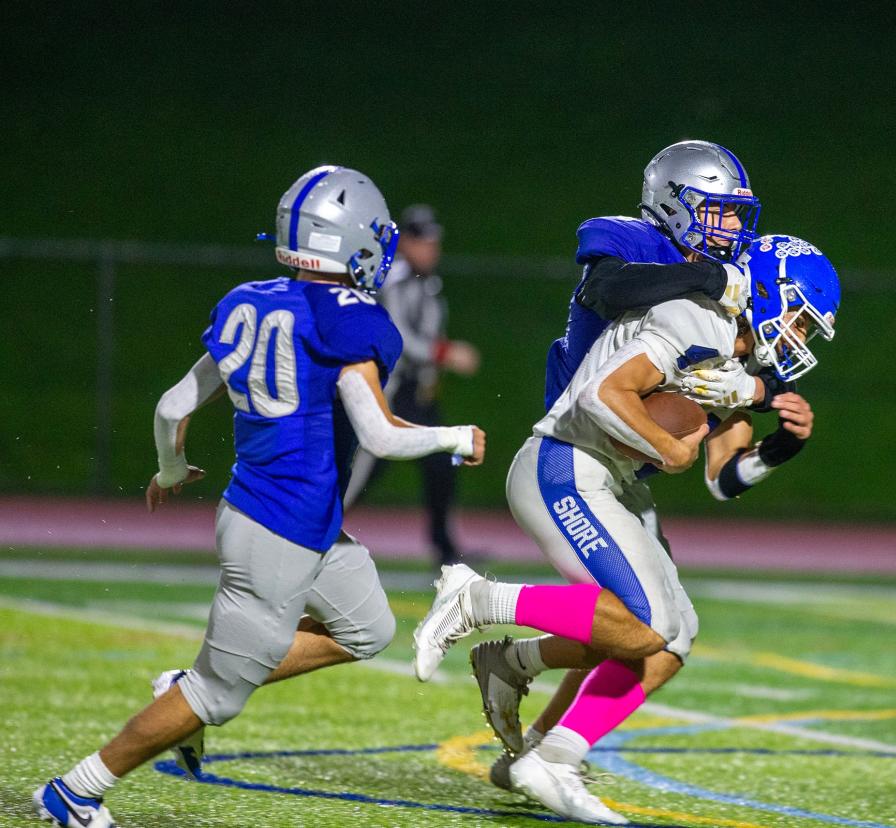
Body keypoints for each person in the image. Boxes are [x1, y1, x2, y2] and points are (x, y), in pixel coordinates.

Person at [32, 166, 485, 828]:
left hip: (287, 517)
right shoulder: (350, 322)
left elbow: (172, 405)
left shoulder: (250, 299)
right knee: (216, 695)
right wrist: (454, 436)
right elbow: (380, 436)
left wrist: (170, 469)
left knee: (368, 628)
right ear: (351, 240)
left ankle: (181, 688)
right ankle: (74, 790)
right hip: (279, 529)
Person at [411, 234, 840, 824]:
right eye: (797, 319)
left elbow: (725, 480)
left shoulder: (743, 360)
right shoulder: (697, 319)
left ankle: (552, 753)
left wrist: (779, 450)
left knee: (674, 638)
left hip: (614, 482)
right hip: (565, 462)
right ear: (767, 292)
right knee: (646, 622)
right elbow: (598, 395)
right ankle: (480, 598)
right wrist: (669, 448)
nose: (799, 337)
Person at [343, 204, 481, 566]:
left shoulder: (425, 281)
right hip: (391, 388)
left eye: (432, 241)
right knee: (366, 464)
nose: (430, 249)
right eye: (422, 241)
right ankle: (321, 527)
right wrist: (444, 353)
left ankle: (445, 548)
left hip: (414, 391)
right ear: (404, 243)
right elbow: (399, 334)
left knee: (440, 463)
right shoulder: (395, 279)